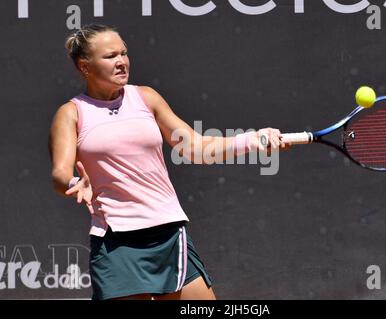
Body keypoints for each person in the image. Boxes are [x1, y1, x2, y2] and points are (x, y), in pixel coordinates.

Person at [48, 24, 288, 300]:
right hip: (116, 242)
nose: (121, 62)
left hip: (168, 233)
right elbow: (59, 173)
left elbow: (196, 148)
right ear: (85, 67)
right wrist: (75, 182)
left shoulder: (146, 98)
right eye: (110, 56)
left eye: (124, 54)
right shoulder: (71, 114)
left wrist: (254, 140)